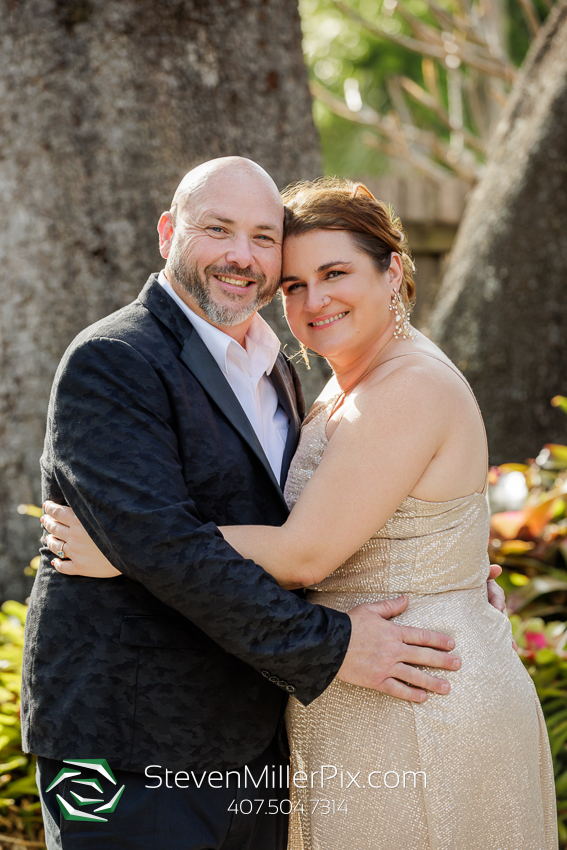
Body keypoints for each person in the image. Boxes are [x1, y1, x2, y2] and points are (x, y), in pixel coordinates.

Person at [40, 175, 549, 849]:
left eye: (333, 272)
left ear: (392, 270)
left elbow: (305, 550)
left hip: (411, 694)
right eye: (296, 285)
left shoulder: (386, 381)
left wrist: (128, 550)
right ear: (169, 233)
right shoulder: (129, 359)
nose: (313, 300)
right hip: (142, 739)